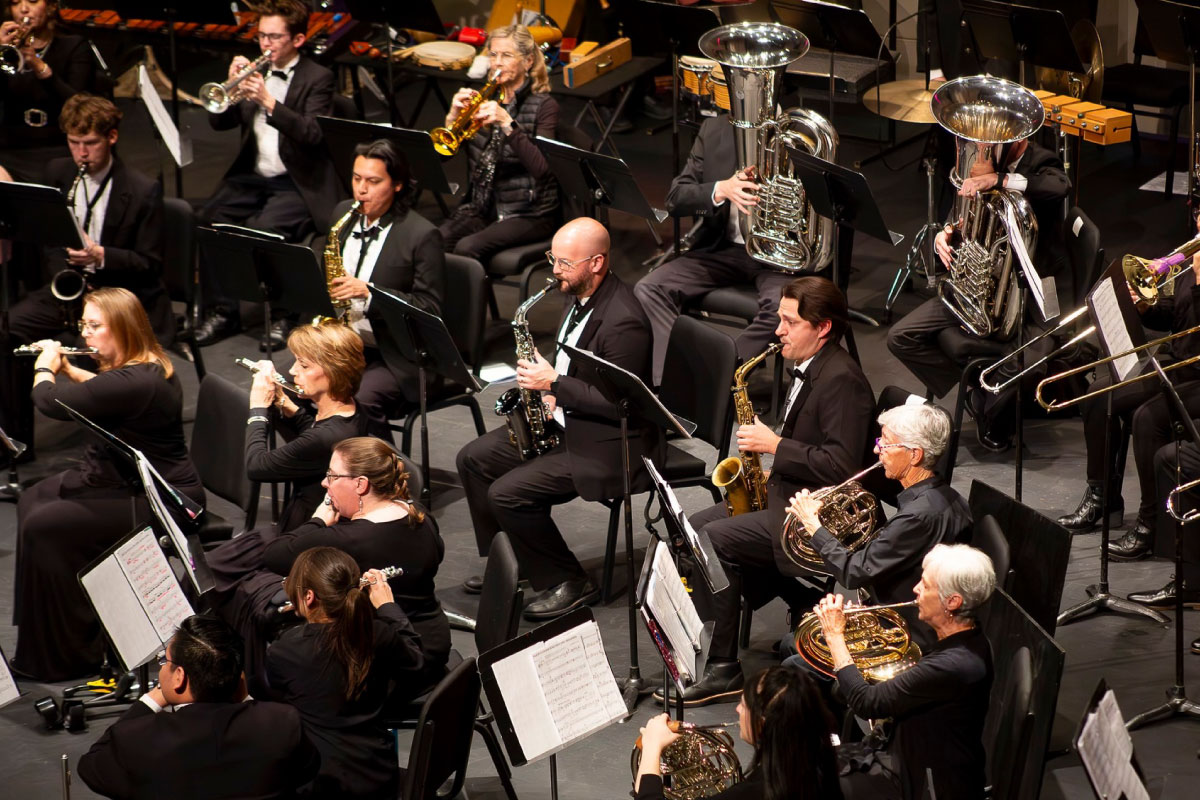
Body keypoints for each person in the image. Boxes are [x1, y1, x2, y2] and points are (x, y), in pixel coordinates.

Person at [667, 275, 875, 706]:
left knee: (714, 540)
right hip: (788, 496)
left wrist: (776, 446)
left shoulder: (843, 381)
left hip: (819, 517)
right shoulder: (808, 365)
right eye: (779, 318)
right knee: (690, 529)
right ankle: (803, 600)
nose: (777, 330)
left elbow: (843, 468)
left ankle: (724, 667)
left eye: (789, 321)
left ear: (822, 328)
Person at [455, 217, 661, 619]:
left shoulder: (624, 322)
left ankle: (568, 580)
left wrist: (555, 383)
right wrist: (550, 388)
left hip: (609, 440)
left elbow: (623, 404)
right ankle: (516, 559)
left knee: (507, 494)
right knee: (473, 459)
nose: (555, 270)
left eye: (565, 263)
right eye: (554, 259)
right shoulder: (580, 294)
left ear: (597, 262)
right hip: (566, 419)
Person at [11, 287, 204, 681]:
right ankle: (45, 636)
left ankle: (72, 654)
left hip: (158, 499)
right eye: (84, 324)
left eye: (96, 326)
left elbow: (49, 401)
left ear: (123, 328)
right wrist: (68, 368)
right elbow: (99, 394)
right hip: (123, 482)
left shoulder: (136, 380)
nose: (86, 334)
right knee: (33, 498)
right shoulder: (142, 366)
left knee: (44, 526)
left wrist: (46, 366)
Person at [210, 437, 450, 690]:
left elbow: (274, 555)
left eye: (332, 476)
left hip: (389, 663)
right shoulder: (418, 514)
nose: (325, 483)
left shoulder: (350, 538)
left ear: (360, 484)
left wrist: (318, 521)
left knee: (261, 596)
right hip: (431, 641)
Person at [0, 92, 168, 453]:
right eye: (74, 143)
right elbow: (47, 238)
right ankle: (16, 442)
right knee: (7, 330)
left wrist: (101, 255)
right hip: (67, 291)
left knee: (92, 352)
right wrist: (63, 270)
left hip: (114, 298)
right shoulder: (58, 173)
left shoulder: (142, 190)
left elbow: (150, 263)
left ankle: (105, 456)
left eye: (90, 143)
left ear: (111, 137)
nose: (81, 153)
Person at [886, 134, 1070, 451]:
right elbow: (960, 216)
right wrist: (944, 236)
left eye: (992, 143)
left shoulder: (1040, 160)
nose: (982, 150)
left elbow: (1059, 187)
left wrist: (999, 179)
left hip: (1027, 292)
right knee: (900, 337)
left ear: (1018, 138)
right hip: (975, 287)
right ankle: (976, 386)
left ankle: (993, 409)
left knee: (1028, 362)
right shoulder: (978, 162)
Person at [196, 0, 339, 346]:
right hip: (253, 175)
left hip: (296, 181)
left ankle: (284, 316)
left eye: (275, 37)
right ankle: (223, 312)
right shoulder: (254, 74)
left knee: (265, 231)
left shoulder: (319, 78)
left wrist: (268, 101)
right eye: (261, 36)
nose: (265, 45)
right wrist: (231, 88)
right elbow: (220, 122)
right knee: (207, 219)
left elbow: (312, 134)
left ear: (299, 40)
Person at [1058, 219, 1200, 556]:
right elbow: (1175, 318)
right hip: (1179, 364)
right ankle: (1102, 498)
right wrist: (1146, 306)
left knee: (1147, 418)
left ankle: (1151, 524)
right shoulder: (1191, 258)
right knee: (1097, 396)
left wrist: (1197, 284)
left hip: (1196, 372)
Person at [815, 543, 996, 800]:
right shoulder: (970, 637)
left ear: (952, 601)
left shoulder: (953, 664)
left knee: (812, 784)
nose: (916, 589)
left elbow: (865, 702)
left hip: (924, 782)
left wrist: (835, 636)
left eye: (926, 585)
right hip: (908, 753)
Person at [786, 402, 972, 650]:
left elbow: (853, 572)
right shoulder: (950, 498)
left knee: (795, 647)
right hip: (901, 607)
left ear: (914, 454)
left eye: (886, 442)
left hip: (903, 632)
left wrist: (813, 525)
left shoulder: (918, 517)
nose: (877, 449)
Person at [77, 615, 320, 800]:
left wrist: (151, 700)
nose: (162, 667)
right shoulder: (282, 722)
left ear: (179, 676)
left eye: (165, 661)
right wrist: (245, 699)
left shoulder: (135, 738)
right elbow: (307, 769)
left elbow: (90, 767)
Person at [634, 113, 797, 386]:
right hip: (722, 249)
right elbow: (675, 198)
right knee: (650, 287)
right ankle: (672, 382)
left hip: (777, 257)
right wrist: (721, 189)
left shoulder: (798, 134)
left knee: (780, 310)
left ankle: (719, 377)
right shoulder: (715, 129)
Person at [264, 547, 425, 799]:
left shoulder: (284, 650)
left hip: (317, 783)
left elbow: (275, 702)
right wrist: (388, 606)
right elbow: (415, 660)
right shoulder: (378, 634)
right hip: (378, 776)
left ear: (308, 597)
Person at [324, 139, 445, 439]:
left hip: (396, 355)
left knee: (360, 401)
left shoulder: (420, 235)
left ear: (398, 185)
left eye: (373, 181)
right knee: (285, 385)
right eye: (356, 178)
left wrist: (369, 293)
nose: (361, 190)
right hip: (345, 346)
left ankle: (385, 477)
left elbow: (429, 308)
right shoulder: (343, 215)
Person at [438, 24, 559, 264]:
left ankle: (470, 301)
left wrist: (507, 123)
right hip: (483, 206)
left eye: (507, 55)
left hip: (529, 212)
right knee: (434, 241)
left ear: (527, 62)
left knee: (466, 248)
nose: (498, 63)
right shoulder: (482, 99)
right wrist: (453, 119)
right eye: (493, 55)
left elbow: (543, 169)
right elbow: (442, 156)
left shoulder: (544, 106)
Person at [635, 667, 845, 800]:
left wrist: (652, 747)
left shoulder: (755, 792)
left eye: (744, 706)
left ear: (762, 724)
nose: (737, 710)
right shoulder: (823, 761)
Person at [244, 320, 370, 532]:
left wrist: (258, 408)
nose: (293, 371)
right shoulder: (352, 409)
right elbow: (312, 430)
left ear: (333, 372)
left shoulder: (327, 437)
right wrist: (283, 402)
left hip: (307, 531)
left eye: (304, 365)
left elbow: (257, 466)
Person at [0, 0, 95, 184]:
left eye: (33, 1)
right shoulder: (7, 51)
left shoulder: (74, 46)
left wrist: (39, 66)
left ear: (51, 7)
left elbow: (80, 105)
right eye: (15, 3)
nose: (23, 9)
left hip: (58, 148)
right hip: (12, 148)